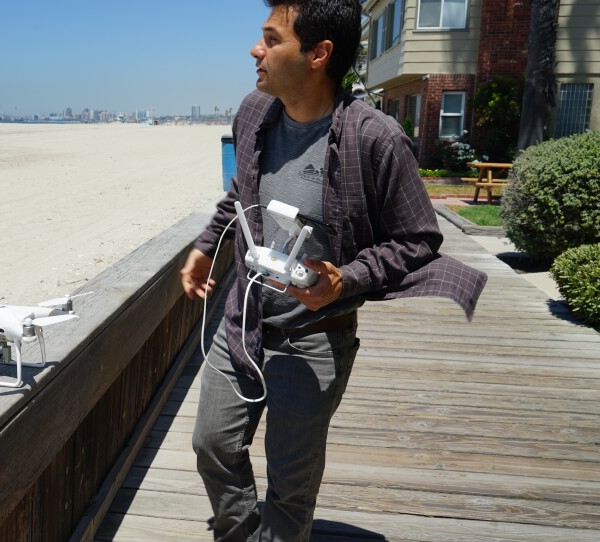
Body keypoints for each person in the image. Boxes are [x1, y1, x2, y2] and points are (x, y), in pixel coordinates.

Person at [180, 1, 487, 540]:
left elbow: (418, 239)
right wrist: (208, 244)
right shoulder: (255, 112)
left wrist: (347, 278)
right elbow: (241, 193)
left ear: (319, 53)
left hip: (316, 339)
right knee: (213, 445)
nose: (257, 50)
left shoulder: (376, 138)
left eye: (272, 40)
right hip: (243, 322)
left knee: (291, 485)